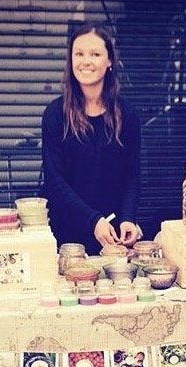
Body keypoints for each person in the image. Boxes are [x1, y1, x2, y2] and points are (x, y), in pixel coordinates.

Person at [40, 23, 142, 255]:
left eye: (95, 54)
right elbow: (55, 182)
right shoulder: (55, 114)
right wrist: (93, 220)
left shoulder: (127, 115)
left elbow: (131, 177)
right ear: (70, 60)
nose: (86, 61)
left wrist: (128, 218)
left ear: (109, 62)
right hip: (66, 238)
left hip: (112, 238)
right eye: (79, 54)